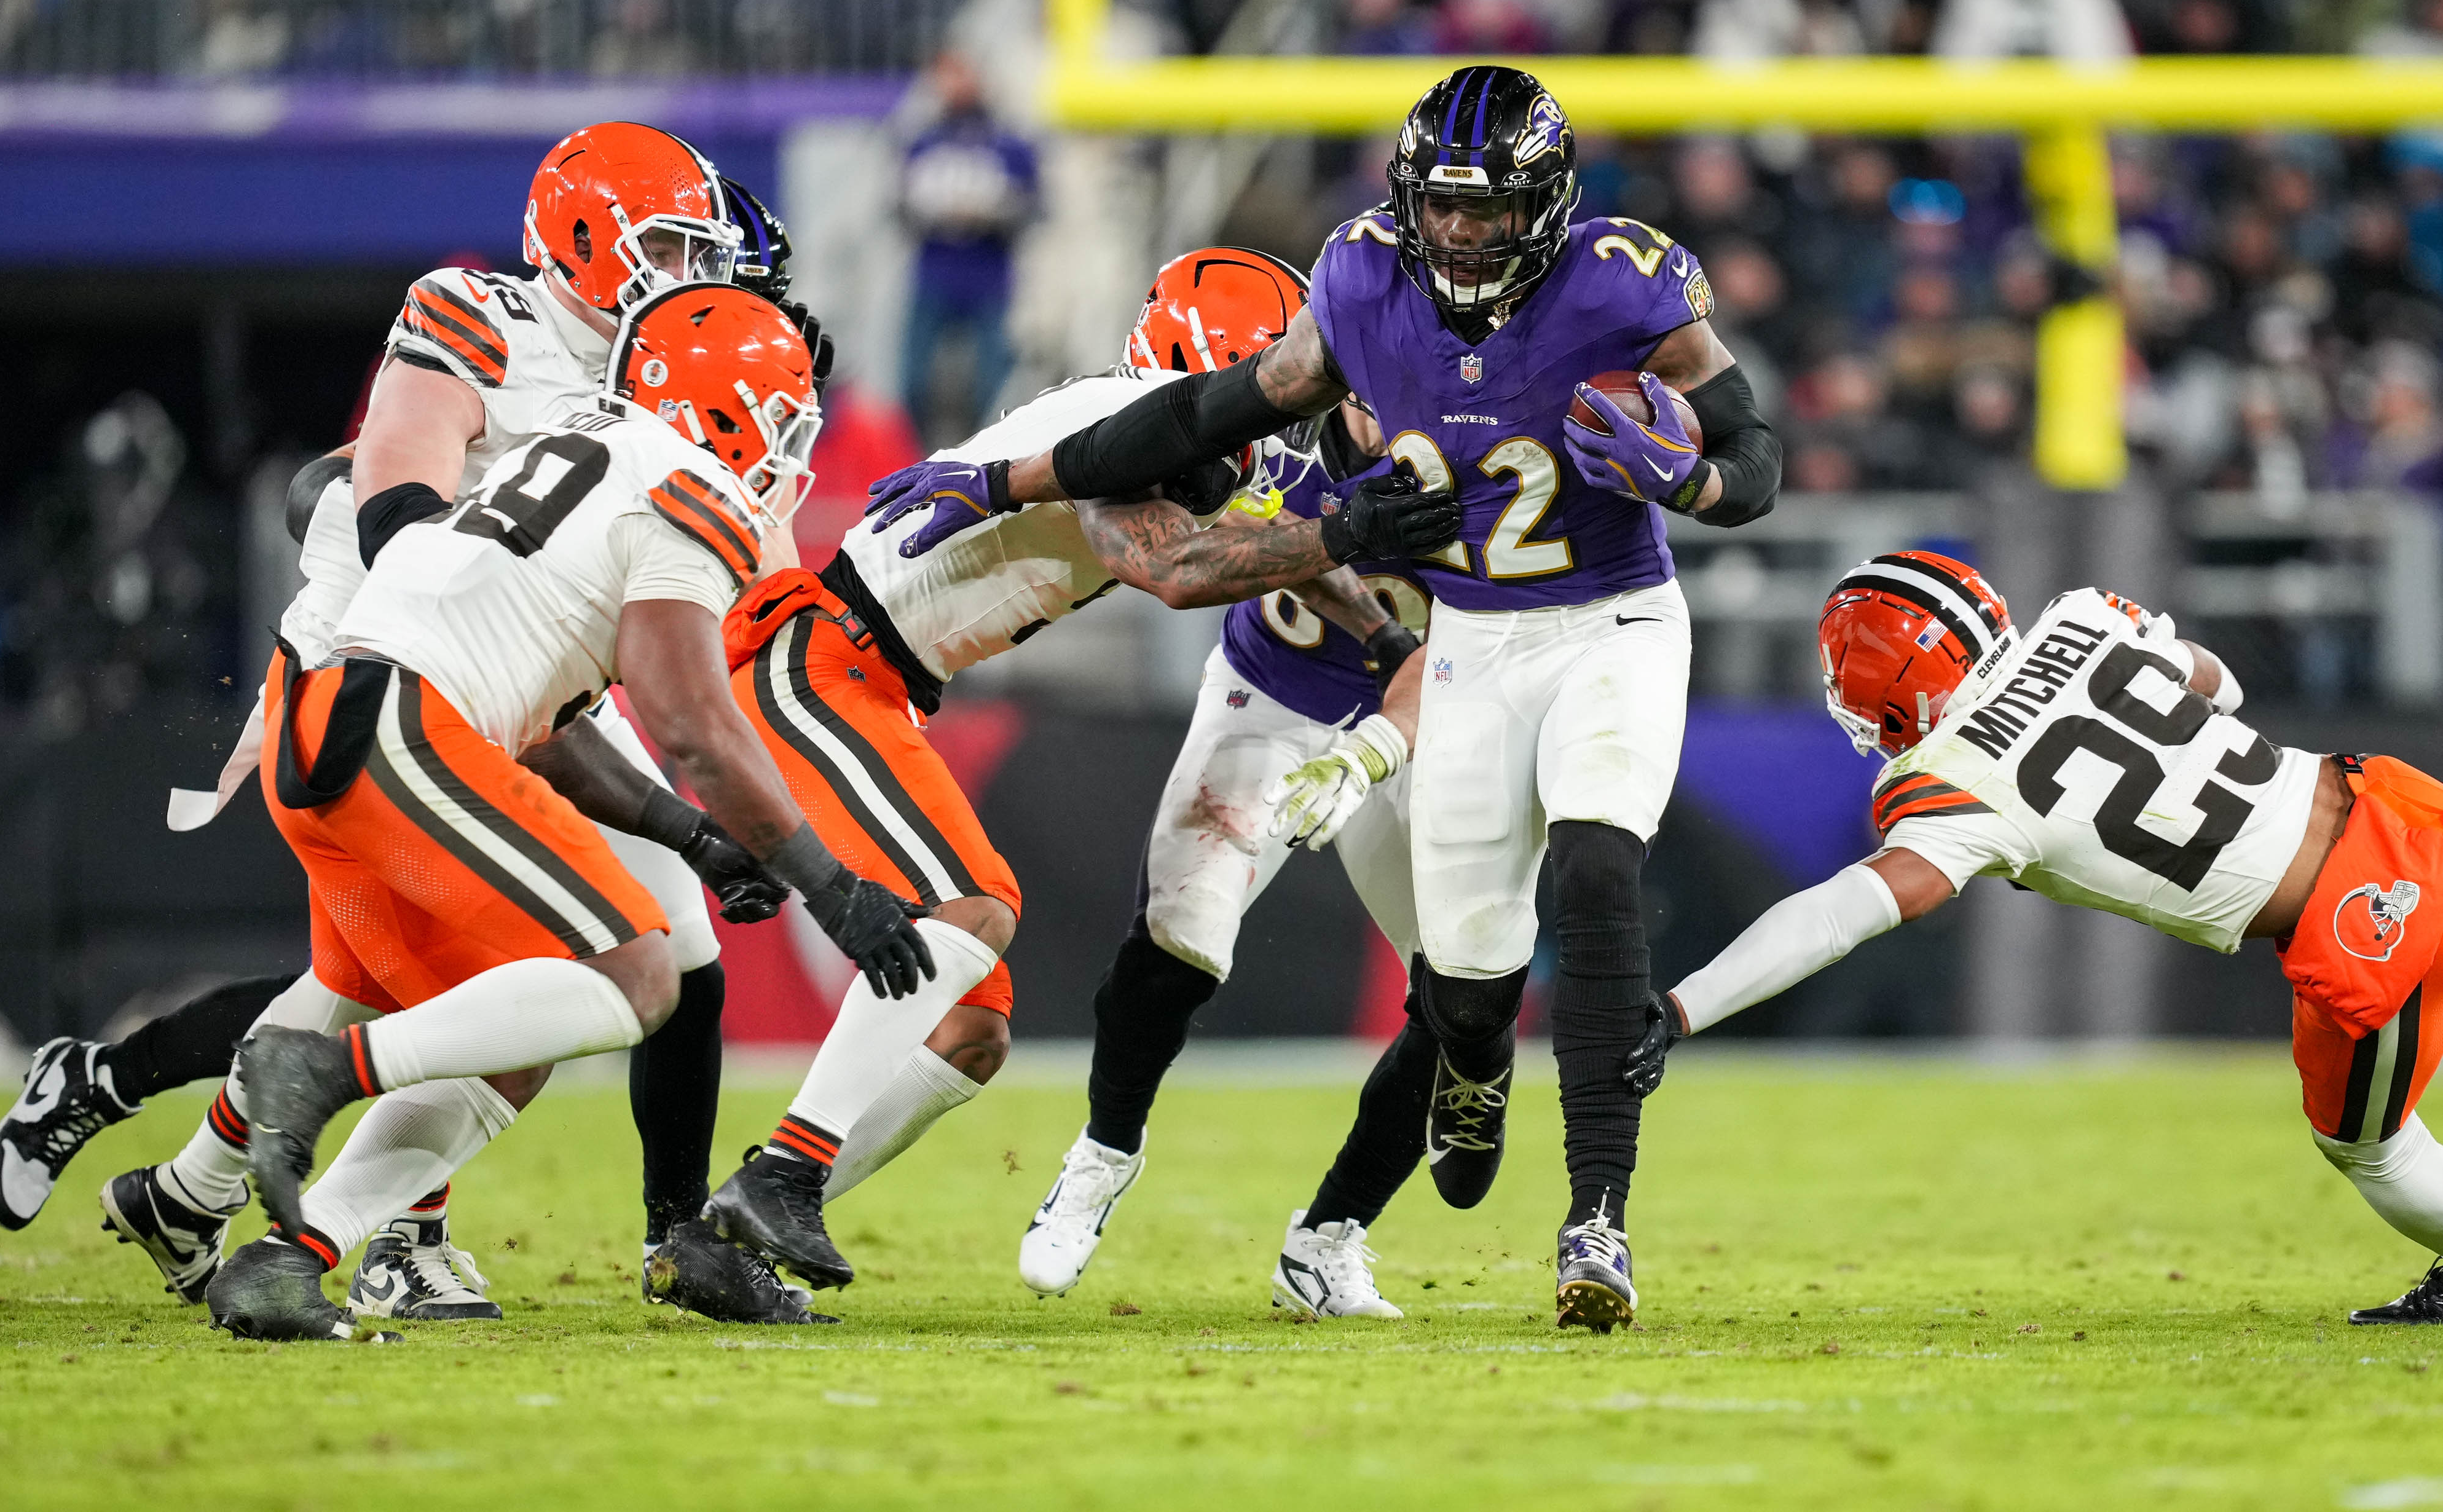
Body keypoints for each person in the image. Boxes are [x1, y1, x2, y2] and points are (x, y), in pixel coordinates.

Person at [866, 67, 1784, 1333]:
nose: (1460, 235)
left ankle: (1487, 1224)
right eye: (1441, 210)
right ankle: (1163, 1141)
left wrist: (1690, 481)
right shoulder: (1339, 308)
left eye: (1489, 209)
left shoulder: (1604, 288)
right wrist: (1014, 477)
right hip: (1367, 657)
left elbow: (1750, 458)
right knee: (1323, 954)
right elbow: (1191, 478)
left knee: (1532, 920)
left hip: (1521, 642)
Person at [0, 128, 817, 1328]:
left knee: (626, 952)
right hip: (387, 655)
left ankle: (197, 1176)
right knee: (422, 974)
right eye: (669, 246)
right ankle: (365, 1232)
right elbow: (388, 499)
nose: (689, 271)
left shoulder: (650, 361)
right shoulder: (480, 308)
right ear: (580, 242)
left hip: (516, 678)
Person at [694, 247, 1464, 1291]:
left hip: (874, 678)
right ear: (1224, 355)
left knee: (968, 1026)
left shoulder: (1171, 429)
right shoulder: (1123, 413)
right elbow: (1176, 566)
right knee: (975, 907)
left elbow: (1258, 539)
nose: (1283, 404)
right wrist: (1351, 525)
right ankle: (782, 1175)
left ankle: (729, 1229)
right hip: (828, 659)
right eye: (1271, 371)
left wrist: (1379, 639)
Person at [200, 283, 919, 1342]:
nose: (786, 445)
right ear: (718, 404)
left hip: (321, 719)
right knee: (638, 972)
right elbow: (687, 723)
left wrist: (697, 839)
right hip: (397, 725)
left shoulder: (581, 448)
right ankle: (316, 1069)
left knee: (521, 1025)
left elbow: (542, 719)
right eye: (778, 416)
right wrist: (831, 883)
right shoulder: (685, 482)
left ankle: (281, 1259)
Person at [1623, 552, 2443, 1328]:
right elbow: (2217, 682)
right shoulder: (2083, 618)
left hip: (2360, 921)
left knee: (2365, 1145)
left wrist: (1685, 1005)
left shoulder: (1950, 779)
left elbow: (1841, 913)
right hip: (2393, 803)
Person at [1015, 280, 1430, 1313]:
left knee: (1471, 993)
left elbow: (1455, 647)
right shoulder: (1235, 445)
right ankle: (1103, 1153)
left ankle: (1329, 1237)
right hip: (1273, 690)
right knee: (1185, 930)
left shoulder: (1461, 429)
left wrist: (1385, 711)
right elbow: (1228, 542)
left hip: (1430, 701)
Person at [897, 50, 1038, 441]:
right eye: (946, 75)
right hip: (935, 273)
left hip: (989, 277)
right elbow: (898, 209)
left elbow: (1033, 208)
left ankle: (994, 463)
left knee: (992, 388)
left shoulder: (1008, 144)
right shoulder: (922, 143)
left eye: (961, 74)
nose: (955, 85)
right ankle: (918, 460)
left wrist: (991, 216)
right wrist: (935, 213)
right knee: (913, 381)